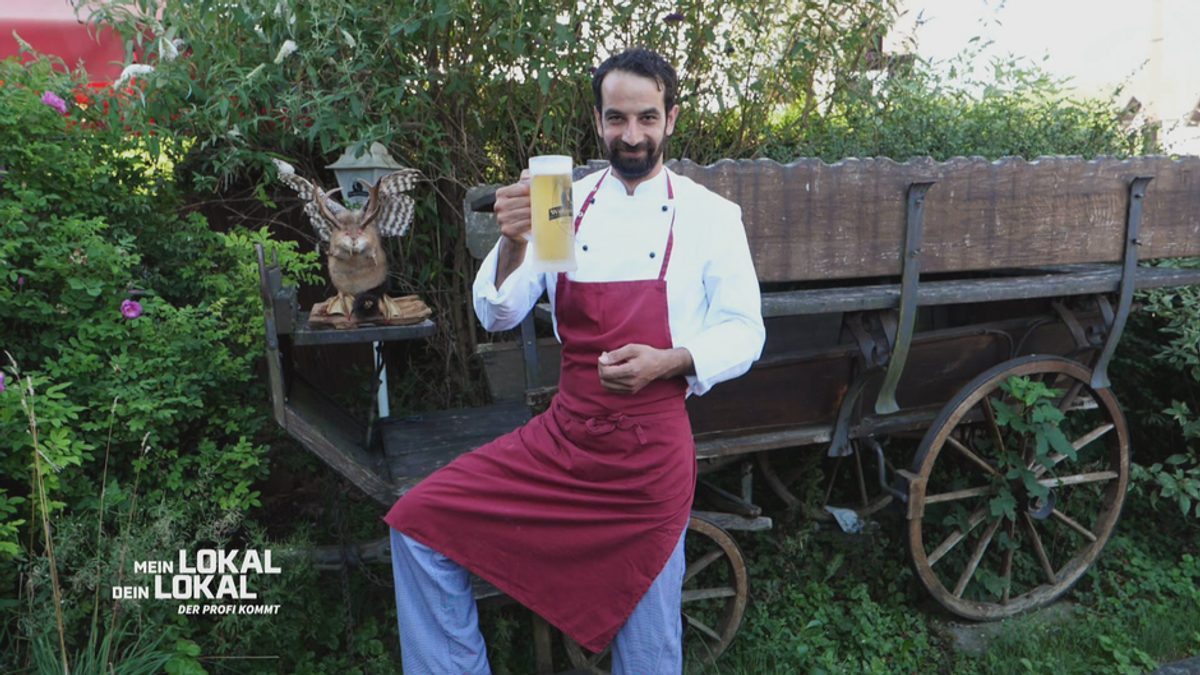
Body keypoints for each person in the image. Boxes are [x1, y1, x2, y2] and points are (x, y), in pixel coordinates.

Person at [384, 47, 765, 675]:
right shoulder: (566, 204)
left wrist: (668, 362)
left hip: (648, 459)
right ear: (598, 121)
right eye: (617, 119)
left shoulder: (710, 217)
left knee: (648, 651)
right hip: (563, 441)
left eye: (647, 118)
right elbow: (498, 314)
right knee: (420, 525)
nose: (632, 135)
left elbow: (745, 332)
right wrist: (514, 241)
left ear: (671, 117)